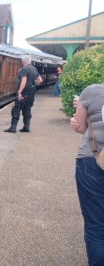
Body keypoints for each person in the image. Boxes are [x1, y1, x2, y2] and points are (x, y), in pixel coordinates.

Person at [70, 83, 104, 265]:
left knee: (96, 225)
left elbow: (80, 127)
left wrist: (75, 122)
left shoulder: (92, 91)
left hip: (93, 160)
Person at [4, 55, 43, 133]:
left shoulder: (24, 69)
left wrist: (19, 92)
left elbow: (24, 81)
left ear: (22, 62)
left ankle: (13, 127)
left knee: (16, 109)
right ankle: (26, 127)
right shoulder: (34, 69)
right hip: (31, 92)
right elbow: (40, 80)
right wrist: (34, 83)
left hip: (24, 92)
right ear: (30, 61)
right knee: (27, 109)